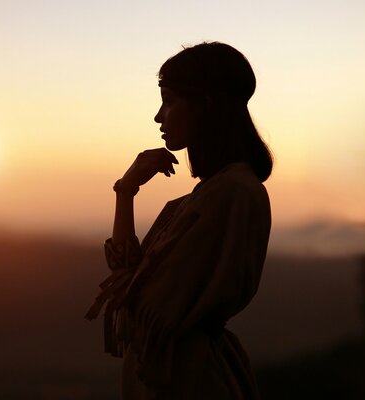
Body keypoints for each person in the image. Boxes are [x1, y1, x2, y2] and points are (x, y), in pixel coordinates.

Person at [85, 41, 273, 399]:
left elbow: (141, 303)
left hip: (191, 381)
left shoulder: (231, 194)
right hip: (173, 373)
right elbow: (131, 284)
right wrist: (125, 192)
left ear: (207, 106)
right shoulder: (202, 197)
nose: (159, 116)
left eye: (169, 101)